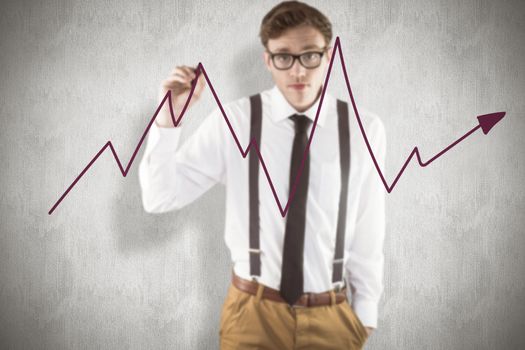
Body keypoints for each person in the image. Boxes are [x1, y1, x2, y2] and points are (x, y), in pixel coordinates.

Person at [138, 1, 386, 349]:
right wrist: (169, 118)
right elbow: (159, 197)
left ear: (328, 57)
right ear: (267, 60)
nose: (298, 71)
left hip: (332, 315)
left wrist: (366, 312)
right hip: (252, 315)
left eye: (310, 56)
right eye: (284, 57)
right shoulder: (235, 122)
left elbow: (367, 224)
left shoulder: (364, 128)